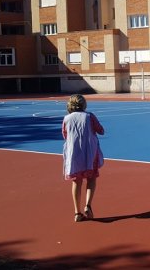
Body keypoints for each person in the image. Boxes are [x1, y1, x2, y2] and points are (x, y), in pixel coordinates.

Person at [62, 94, 105, 222]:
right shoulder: (89, 116)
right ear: (83, 104)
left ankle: (77, 212)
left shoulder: (66, 119)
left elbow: (65, 135)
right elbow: (101, 130)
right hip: (90, 152)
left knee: (76, 181)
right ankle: (88, 205)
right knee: (91, 178)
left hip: (74, 154)